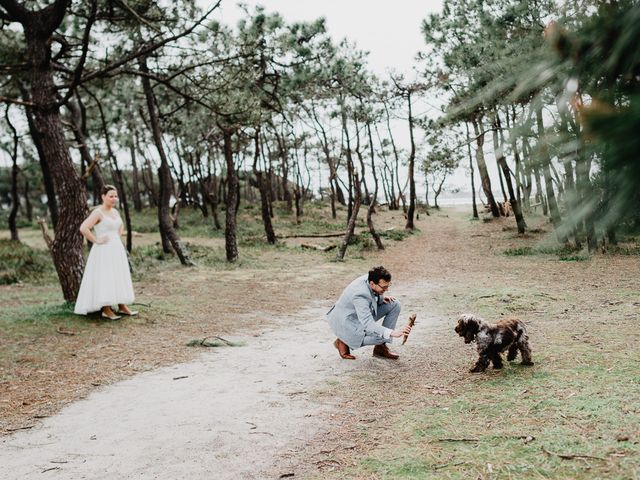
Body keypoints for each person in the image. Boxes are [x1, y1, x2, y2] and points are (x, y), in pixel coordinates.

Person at [74, 185, 137, 320]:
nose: (114, 199)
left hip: (116, 248)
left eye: (115, 196)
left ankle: (122, 306)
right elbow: (83, 228)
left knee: (119, 274)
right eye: (111, 196)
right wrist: (96, 240)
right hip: (103, 250)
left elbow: (120, 226)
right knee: (106, 276)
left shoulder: (115, 212)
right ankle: (106, 309)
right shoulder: (98, 212)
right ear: (103, 197)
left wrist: (116, 236)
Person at [326, 266, 411, 360]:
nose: (387, 289)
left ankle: (380, 349)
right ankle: (343, 339)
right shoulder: (360, 294)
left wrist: (380, 299)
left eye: (388, 285)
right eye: (384, 287)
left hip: (359, 314)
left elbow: (373, 294)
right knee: (381, 337)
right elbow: (367, 322)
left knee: (394, 304)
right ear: (372, 284)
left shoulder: (372, 277)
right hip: (347, 323)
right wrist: (392, 332)